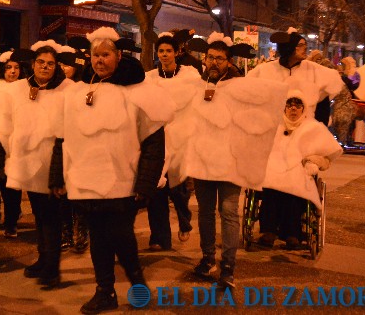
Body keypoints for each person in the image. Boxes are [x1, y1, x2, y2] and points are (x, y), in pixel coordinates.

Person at [51, 27, 172, 314]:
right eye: (95, 55)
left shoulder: (139, 92)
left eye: (105, 54)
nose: (99, 60)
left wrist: (146, 184)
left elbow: (154, 144)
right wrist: (58, 176)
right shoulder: (78, 91)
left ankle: (138, 285)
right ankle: (104, 291)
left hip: (123, 181)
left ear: (118, 55)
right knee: (99, 239)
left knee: (121, 236)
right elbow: (62, 137)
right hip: (86, 180)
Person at [161, 33, 287, 291]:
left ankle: (228, 266)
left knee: (229, 213)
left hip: (231, 163)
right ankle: (208, 259)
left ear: (229, 61)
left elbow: (261, 111)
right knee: (206, 213)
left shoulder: (241, 88)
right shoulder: (197, 87)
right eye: (210, 57)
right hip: (203, 163)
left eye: (220, 58)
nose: (214, 62)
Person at [0, 40, 73, 288]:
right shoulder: (18, 90)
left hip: (53, 164)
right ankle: (43, 258)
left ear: (56, 66)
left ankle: (52, 267)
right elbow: (4, 126)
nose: (45, 67)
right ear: (33, 64)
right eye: (41, 62)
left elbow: (68, 132)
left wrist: (60, 172)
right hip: (27, 163)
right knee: (39, 214)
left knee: (51, 217)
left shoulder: (67, 91)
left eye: (50, 64)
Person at [258, 90, 342, 249]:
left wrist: (313, 162)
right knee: (270, 189)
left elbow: (326, 158)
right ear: (284, 108)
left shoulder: (313, 128)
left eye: (297, 105)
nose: (293, 108)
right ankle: (269, 231)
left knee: (294, 191)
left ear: (303, 109)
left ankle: (292, 234)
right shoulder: (274, 126)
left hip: (299, 172)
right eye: (289, 105)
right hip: (275, 171)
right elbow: (260, 149)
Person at [144, 33, 199, 251]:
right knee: (156, 190)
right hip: (158, 140)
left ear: (177, 52)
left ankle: (184, 221)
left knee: (178, 190)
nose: (164, 55)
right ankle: (159, 238)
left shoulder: (190, 76)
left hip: (181, 141)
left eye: (168, 51)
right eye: (161, 51)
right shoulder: (149, 79)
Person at [248, 27, 343, 126]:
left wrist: (316, 129)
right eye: (300, 45)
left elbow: (323, 109)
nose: (305, 48)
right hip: (274, 129)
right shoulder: (265, 71)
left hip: (305, 131)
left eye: (305, 44)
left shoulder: (314, 71)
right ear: (289, 48)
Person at [0, 50, 27, 238]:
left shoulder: (25, 87)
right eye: (9, 67)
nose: (12, 71)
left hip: (19, 140)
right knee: (1, 181)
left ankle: (11, 222)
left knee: (15, 184)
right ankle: (8, 215)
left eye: (16, 67)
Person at [56, 45, 89, 253]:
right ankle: (66, 233)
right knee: (62, 193)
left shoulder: (84, 87)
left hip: (80, 144)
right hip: (62, 142)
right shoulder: (58, 87)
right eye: (61, 65)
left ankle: (81, 232)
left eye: (67, 65)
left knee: (79, 192)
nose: (64, 68)